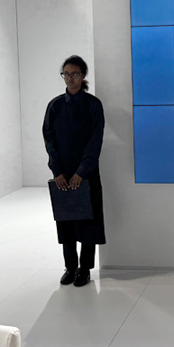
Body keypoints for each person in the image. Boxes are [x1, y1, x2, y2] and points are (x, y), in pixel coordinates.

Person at [43, 55, 105, 287]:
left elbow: (95, 141)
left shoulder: (93, 105)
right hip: (63, 174)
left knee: (88, 221)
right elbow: (49, 140)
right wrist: (57, 171)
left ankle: (84, 269)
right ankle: (70, 267)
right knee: (66, 220)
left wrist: (82, 171)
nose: (70, 78)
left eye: (75, 74)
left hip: (86, 173)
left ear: (83, 75)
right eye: (66, 74)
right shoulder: (55, 106)